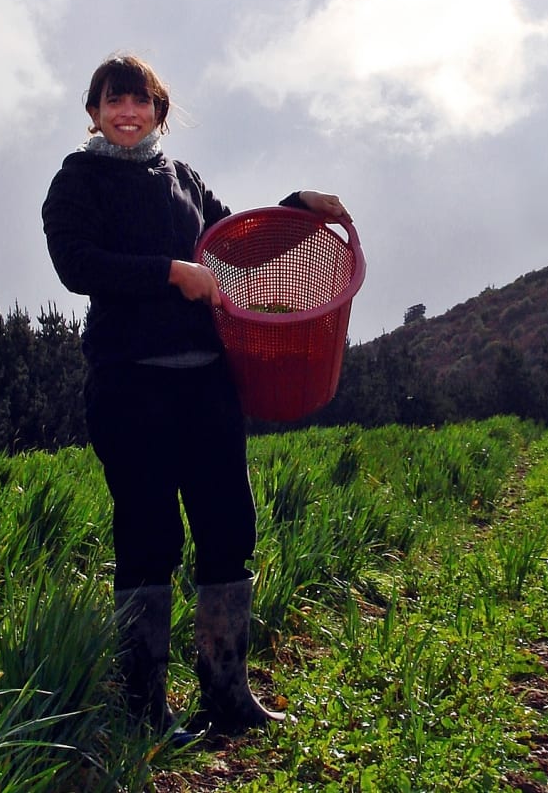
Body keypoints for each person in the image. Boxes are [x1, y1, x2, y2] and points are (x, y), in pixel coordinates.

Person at [41, 53, 351, 744]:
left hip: (207, 380)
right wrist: (168, 273)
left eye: (140, 102)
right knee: (149, 538)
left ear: (159, 112)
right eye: (113, 102)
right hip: (130, 382)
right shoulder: (76, 181)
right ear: (92, 113)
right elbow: (76, 265)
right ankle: (144, 712)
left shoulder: (181, 179)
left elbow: (234, 247)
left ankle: (227, 694)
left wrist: (298, 209)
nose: (127, 113)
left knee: (228, 529)